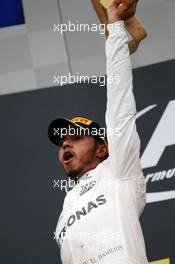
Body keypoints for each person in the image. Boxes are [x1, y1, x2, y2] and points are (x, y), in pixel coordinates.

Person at [48, 0, 148, 263]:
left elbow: (120, 105)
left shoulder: (118, 172)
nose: (65, 145)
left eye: (76, 137)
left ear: (102, 148)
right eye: (61, 142)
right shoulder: (66, 207)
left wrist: (115, 27)